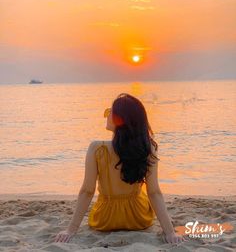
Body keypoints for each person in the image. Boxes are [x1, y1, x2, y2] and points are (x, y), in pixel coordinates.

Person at [54, 93, 187, 245]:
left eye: (110, 111)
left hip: (105, 220)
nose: (107, 115)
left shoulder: (97, 149)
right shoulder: (147, 147)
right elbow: (154, 192)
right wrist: (170, 232)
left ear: (120, 119)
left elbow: (87, 191)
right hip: (138, 218)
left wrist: (71, 230)